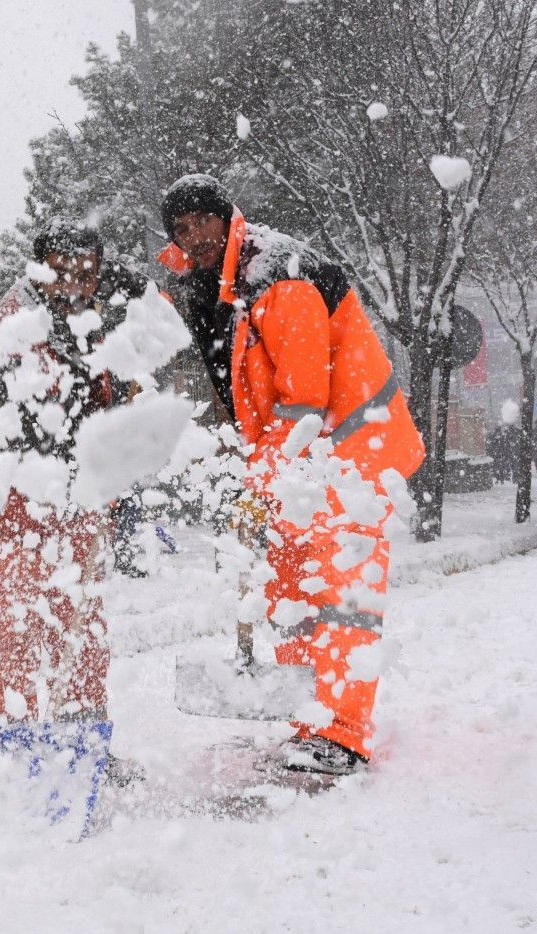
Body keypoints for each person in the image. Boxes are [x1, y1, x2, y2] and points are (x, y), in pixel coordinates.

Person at [158, 174, 425, 774]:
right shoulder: (218, 289)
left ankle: (343, 733)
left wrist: (262, 485)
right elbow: (252, 400)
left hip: (350, 454)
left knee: (339, 596)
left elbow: (302, 400)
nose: (191, 236)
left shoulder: (281, 274)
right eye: (179, 229)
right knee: (292, 593)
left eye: (200, 220)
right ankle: (310, 720)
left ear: (226, 217)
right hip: (305, 462)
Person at [0, 221, 143, 783]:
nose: (78, 281)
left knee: (81, 622)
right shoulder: (14, 326)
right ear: (42, 269)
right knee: (14, 624)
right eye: (65, 270)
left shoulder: (91, 325)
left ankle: (82, 737)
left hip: (76, 500)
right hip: (19, 499)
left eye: (87, 271)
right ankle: (10, 746)